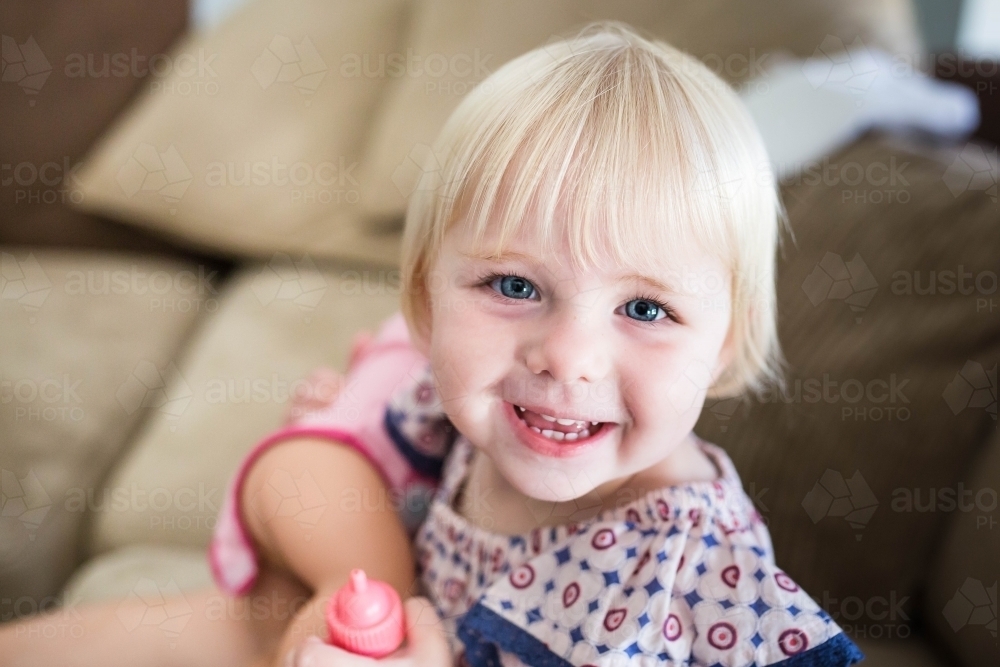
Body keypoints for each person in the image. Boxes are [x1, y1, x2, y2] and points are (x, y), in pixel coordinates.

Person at [0, 22, 865, 667]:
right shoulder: (452, 409)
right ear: (422, 302)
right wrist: (338, 443)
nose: (568, 356)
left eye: (644, 309)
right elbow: (313, 483)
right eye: (516, 287)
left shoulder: (696, 568)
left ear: (724, 346)